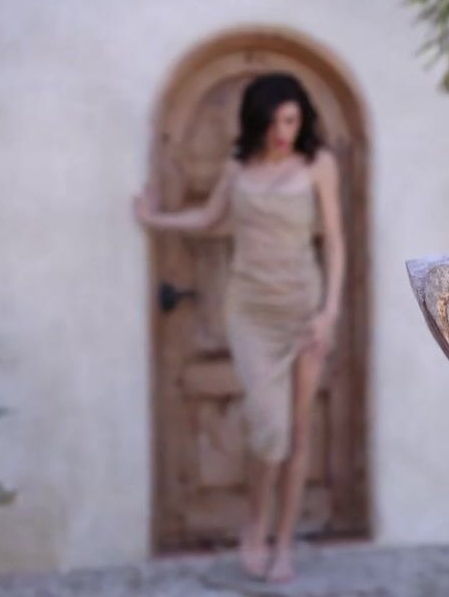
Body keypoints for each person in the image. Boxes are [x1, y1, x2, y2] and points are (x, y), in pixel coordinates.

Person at [134, 73, 346, 583]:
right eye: (272, 123)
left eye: (290, 121)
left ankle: (283, 543)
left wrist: (328, 313)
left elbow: (336, 241)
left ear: (302, 120)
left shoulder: (319, 163)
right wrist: (155, 220)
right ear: (256, 122)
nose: (282, 133)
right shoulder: (237, 165)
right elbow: (208, 218)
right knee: (269, 426)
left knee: (298, 433)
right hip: (250, 311)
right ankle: (254, 526)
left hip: (304, 308)